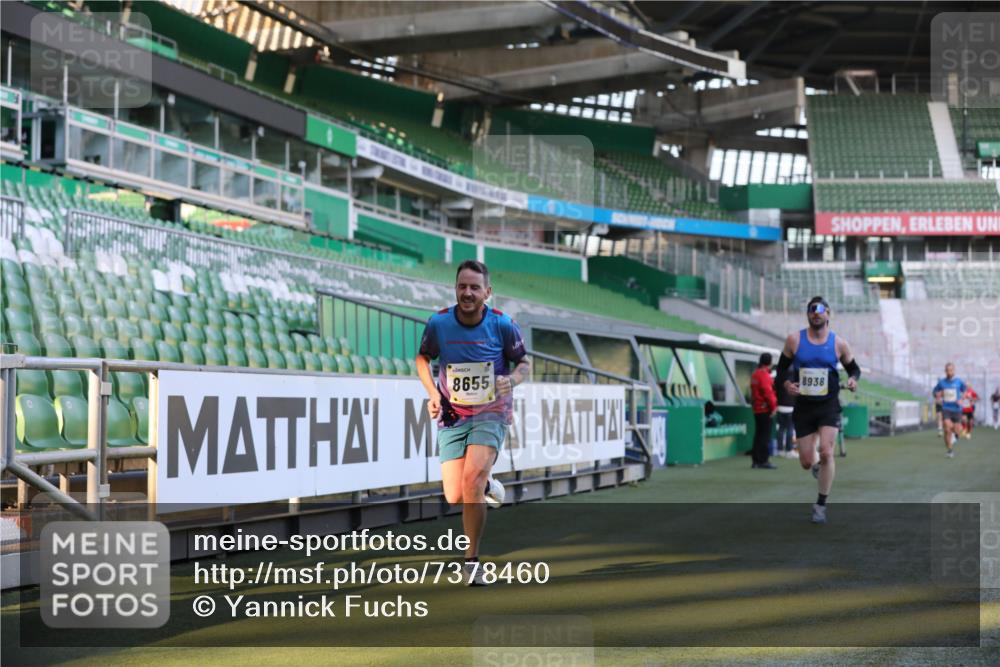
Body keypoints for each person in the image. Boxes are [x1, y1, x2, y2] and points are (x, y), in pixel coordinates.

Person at [416, 260, 530, 586]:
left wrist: (514, 380)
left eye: (475, 287)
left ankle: (472, 562)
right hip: (452, 413)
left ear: (487, 292)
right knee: (454, 494)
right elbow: (423, 357)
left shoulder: (503, 324)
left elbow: (523, 362)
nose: (467, 293)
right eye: (462, 286)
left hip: (492, 411)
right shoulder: (439, 323)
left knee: (471, 480)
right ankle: (489, 487)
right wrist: (432, 394)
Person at [775, 297, 860, 524]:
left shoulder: (839, 343)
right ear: (808, 315)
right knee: (805, 461)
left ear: (828, 314)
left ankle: (821, 504)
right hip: (803, 406)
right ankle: (815, 467)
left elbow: (854, 368)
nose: (816, 314)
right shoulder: (794, 340)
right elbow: (781, 369)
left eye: (820, 310)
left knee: (826, 451)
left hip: (828, 405)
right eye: (812, 310)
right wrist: (786, 384)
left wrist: (853, 379)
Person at [932, 363, 967, 459]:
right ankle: (950, 451)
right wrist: (937, 396)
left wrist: (962, 399)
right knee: (947, 429)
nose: (949, 372)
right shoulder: (942, 382)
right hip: (946, 408)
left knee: (956, 430)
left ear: (954, 371)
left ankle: (955, 435)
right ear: (945, 371)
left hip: (957, 409)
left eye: (951, 370)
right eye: (947, 370)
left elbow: (965, 390)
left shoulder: (959, 381)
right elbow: (934, 392)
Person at [750, 353, 778, 469]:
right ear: (770, 362)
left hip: (757, 408)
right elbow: (768, 393)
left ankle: (756, 460)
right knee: (765, 435)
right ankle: (763, 460)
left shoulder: (755, 374)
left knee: (758, 435)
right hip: (765, 408)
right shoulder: (765, 375)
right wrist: (773, 407)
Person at [775, 374, 796, 458]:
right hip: (790, 408)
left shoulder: (779, 379)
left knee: (781, 428)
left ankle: (779, 450)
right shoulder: (794, 379)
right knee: (790, 429)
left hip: (780, 407)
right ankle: (789, 450)